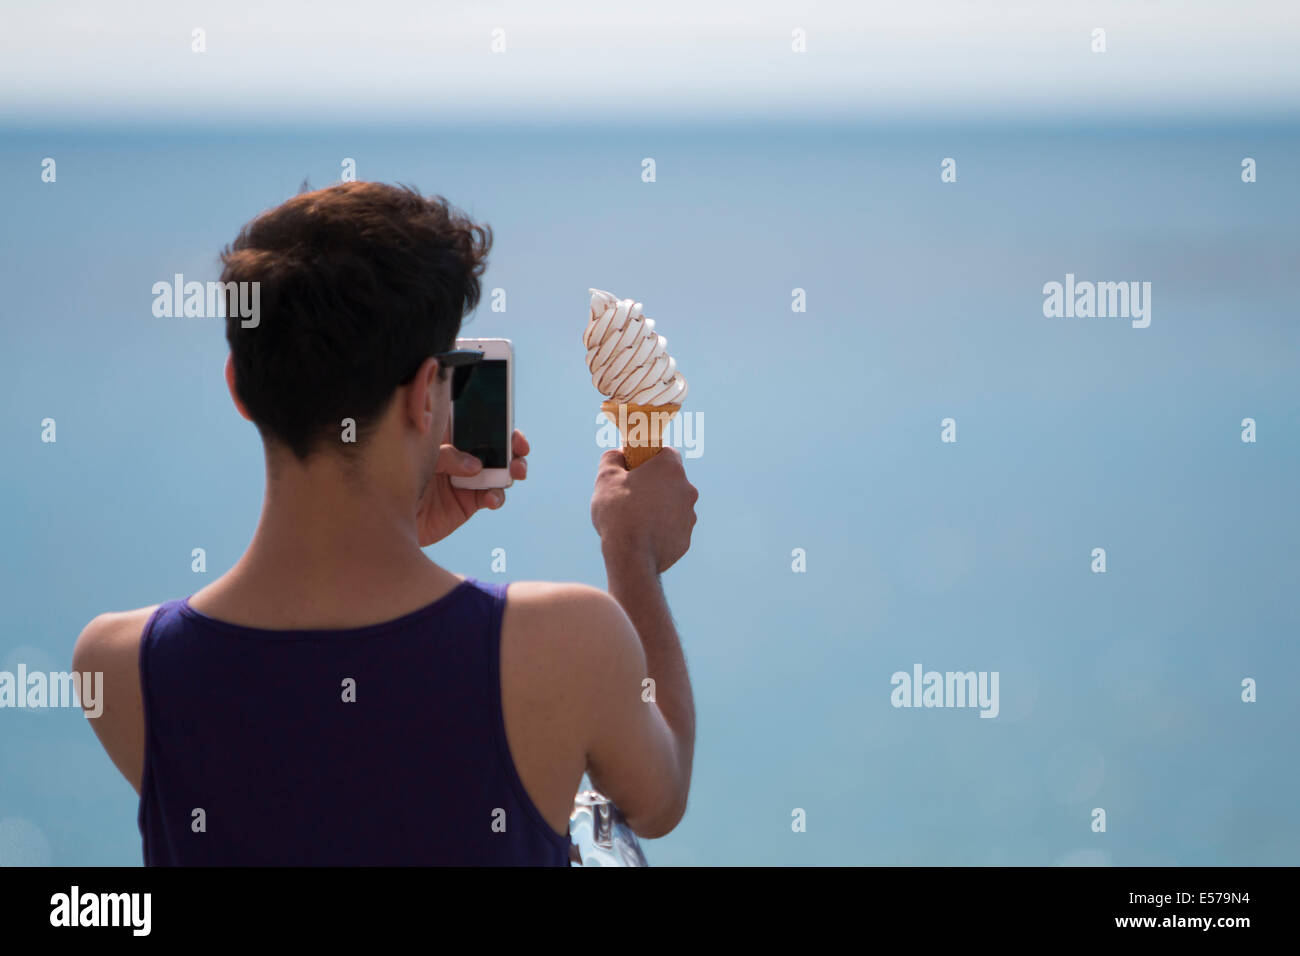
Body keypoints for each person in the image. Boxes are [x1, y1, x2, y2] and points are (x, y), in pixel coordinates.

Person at [72, 182, 698, 865]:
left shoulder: (118, 664)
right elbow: (658, 800)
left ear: (239, 387)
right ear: (425, 395)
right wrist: (630, 547)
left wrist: (388, 535)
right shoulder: (569, 641)